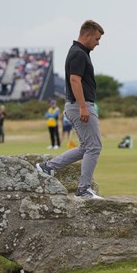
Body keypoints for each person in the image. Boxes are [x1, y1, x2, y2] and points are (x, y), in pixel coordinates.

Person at [36, 19, 105, 199]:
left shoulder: (80, 52)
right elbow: (75, 80)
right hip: (80, 105)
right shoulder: (78, 54)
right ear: (87, 35)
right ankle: (83, 190)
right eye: (97, 39)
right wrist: (83, 107)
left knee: (86, 147)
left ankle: (48, 167)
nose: (98, 43)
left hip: (77, 105)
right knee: (94, 147)